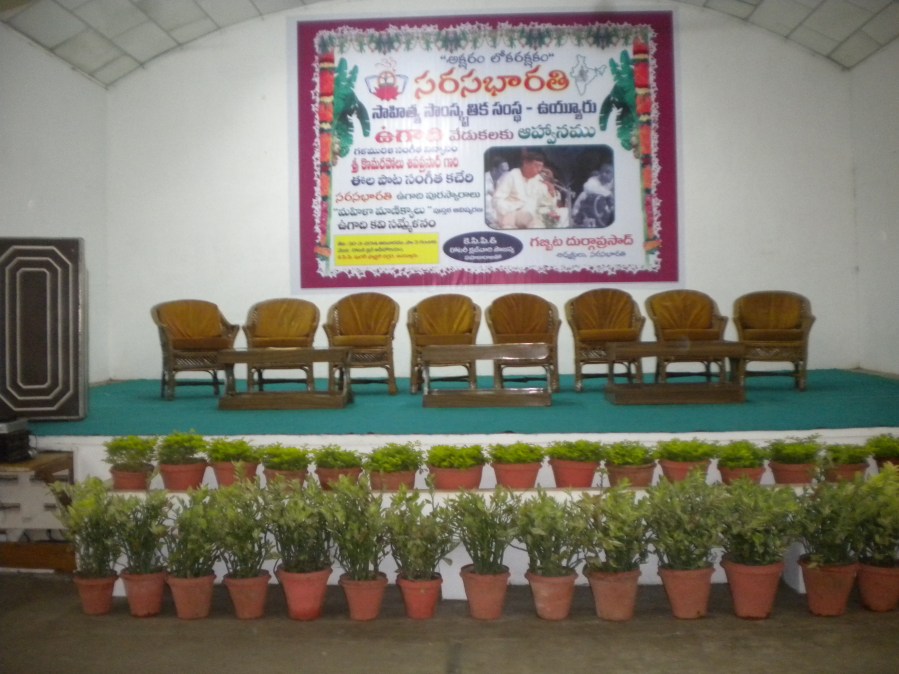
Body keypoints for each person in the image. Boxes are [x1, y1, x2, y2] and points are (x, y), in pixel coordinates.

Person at [491, 149, 561, 229]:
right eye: (536, 166)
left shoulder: (538, 180)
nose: (539, 170)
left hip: (532, 217)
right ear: (526, 163)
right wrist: (511, 211)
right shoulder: (512, 175)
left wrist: (551, 190)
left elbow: (546, 204)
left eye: (541, 166)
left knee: (561, 215)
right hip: (512, 215)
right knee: (530, 218)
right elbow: (497, 200)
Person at [571, 163, 614, 228]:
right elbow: (587, 187)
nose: (604, 174)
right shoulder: (593, 181)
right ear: (601, 173)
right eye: (603, 172)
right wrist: (609, 194)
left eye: (608, 172)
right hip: (582, 216)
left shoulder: (612, 183)